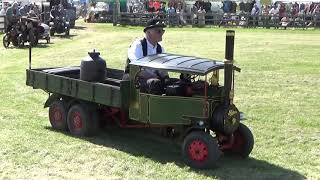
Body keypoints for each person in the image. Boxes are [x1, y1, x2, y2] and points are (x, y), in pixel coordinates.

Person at [125, 18, 168, 93]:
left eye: (163, 31)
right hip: (135, 80)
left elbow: (162, 69)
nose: (161, 33)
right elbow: (136, 69)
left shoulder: (160, 48)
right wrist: (154, 77)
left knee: (175, 83)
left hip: (153, 79)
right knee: (155, 83)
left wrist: (166, 78)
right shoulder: (138, 45)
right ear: (148, 32)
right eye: (158, 31)